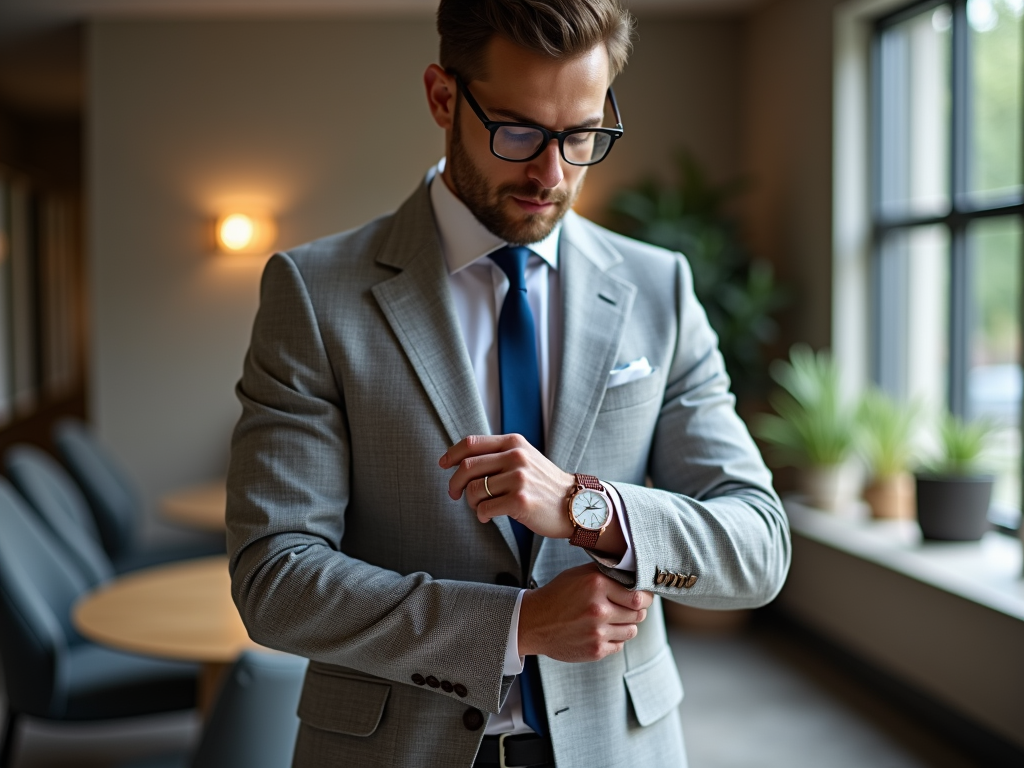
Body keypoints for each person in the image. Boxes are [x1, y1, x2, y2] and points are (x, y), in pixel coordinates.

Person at [226, 1, 791, 766]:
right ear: (442, 97)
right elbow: (276, 577)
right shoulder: (314, 292)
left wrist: (591, 510)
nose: (551, 174)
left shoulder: (661, 290)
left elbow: (758, 547)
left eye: (582, 134)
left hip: (618, 745)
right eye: (519, 131)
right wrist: (516, 625)